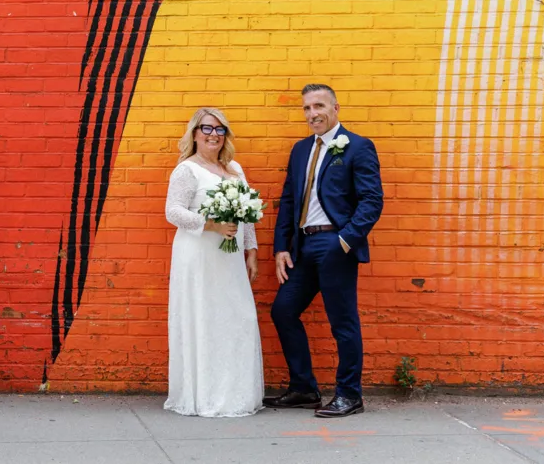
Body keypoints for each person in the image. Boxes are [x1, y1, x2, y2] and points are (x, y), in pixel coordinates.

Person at [265, 84, 383, 418]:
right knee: (283, 311)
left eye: (319, 106)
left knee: (342, 322)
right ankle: (304, 388)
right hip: (303, 247)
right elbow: (288, 200)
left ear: (335, 107)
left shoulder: (358, 146)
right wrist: (280, 248)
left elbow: (372, 200)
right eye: (306, 108)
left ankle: (350, 394)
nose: (312, 113)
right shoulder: (300, 150)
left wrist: (346, 240)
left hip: (335, 244)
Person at [163, 107, 263, 417]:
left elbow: (247, 216)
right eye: (207, 128)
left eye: (220, 130)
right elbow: (173, 212)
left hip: (230, 258)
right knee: (204, 318)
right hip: (198, 257)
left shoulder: (235, 169)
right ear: (194, 133)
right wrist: (211, 224)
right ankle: (204, 394)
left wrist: (252, 251)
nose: (213, 135)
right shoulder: (186, 170)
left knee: (237, 318)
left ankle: (236, 393)